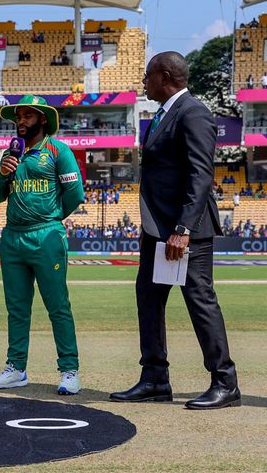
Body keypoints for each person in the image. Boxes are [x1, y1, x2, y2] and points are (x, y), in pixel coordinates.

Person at [110, 51, 239, 409]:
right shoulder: (164, 114)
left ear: (165, 76)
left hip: (185, 232)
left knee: (199, 301)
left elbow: (200, 175)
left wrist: (182, 228)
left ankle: (225, 382)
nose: (144, 81)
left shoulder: (193, 112)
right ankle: (154, 379)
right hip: (158, 229)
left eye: (148, 75)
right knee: (148, 301)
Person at [0, 94, 85, 395]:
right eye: (18, 116)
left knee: (57, 306)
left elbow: (74, 195)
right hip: (13, 238)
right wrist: (2, 174)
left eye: (27, 116)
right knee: (16, 308)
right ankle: (16, 369)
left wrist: (51, 219)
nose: (20, 121)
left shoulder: (58, 150)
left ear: (42, 119)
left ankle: (69, 371)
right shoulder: (11, 153)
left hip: (47, 236)